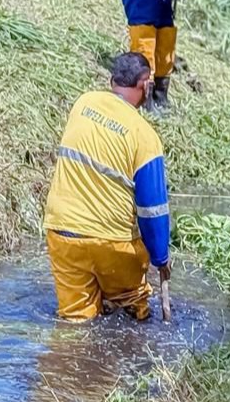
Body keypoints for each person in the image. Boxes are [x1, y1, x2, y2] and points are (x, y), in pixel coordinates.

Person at [43, 52, 171, 321]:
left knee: (75, 321)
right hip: (112, 242)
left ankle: (69, 343)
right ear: (145, 84)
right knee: (134, 311)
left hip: (62, 234)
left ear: (112, 81)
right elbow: (152, 209)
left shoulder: (83, 103)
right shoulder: (145, 136)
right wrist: (160, 257)